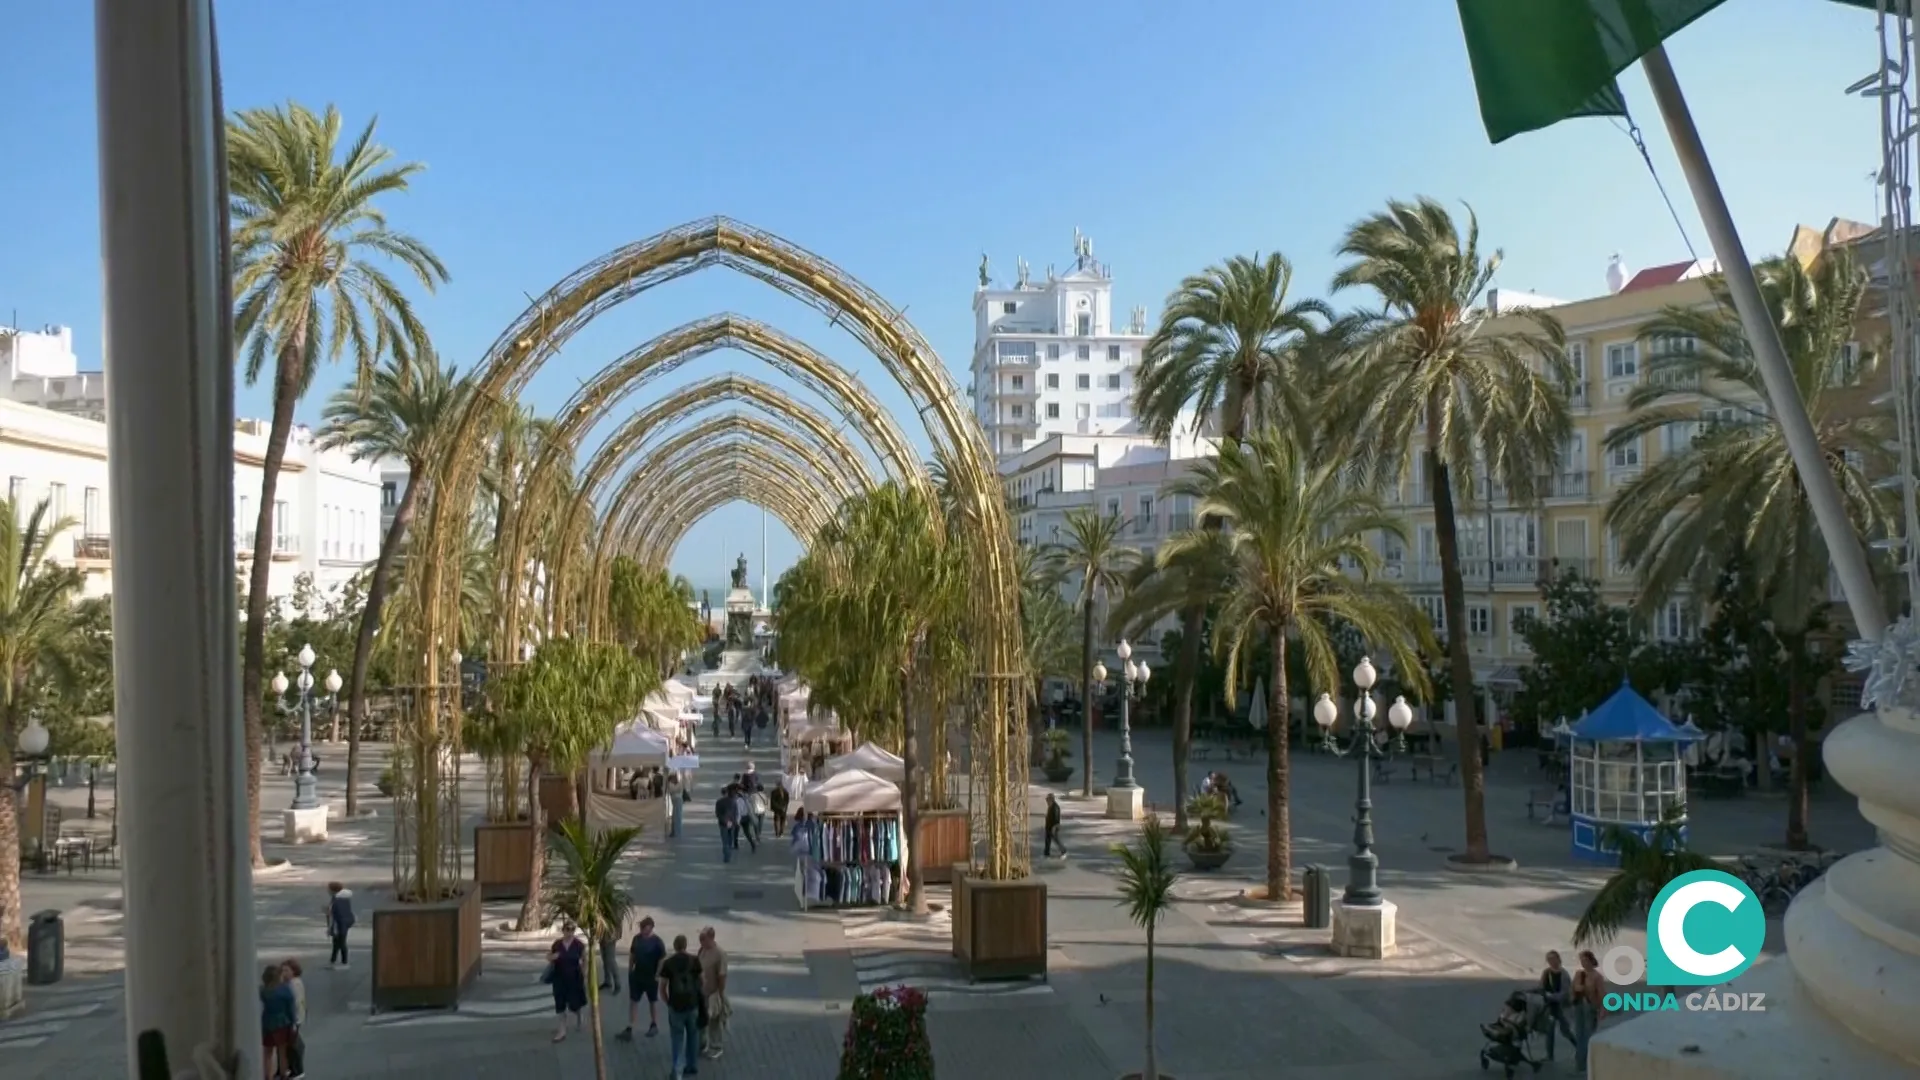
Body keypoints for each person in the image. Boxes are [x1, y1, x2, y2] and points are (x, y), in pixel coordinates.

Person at [658, 934, 704, 1078]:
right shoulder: (695, 961)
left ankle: (677, 1071)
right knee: (693, 1035)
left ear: (675, 946)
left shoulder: (668, 963)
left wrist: (668, 1002)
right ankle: (692, 1065)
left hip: (676, 1007)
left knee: (677, 1038)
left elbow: (662, 987)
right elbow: (702, 981)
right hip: (692, 1005)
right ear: (685, 945)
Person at [616, 917, 667, 1041]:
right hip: (637, 975)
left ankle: (654, 1024)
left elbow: (662, 959)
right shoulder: (637, 939)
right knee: (634, 1001)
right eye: (642, 928)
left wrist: (657, 974)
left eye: (645, 928)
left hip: (651, 977)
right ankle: (630, 1027)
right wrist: (630, 969)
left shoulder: (657, 942)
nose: (643, 931)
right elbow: (632, 954)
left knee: (652, 1001)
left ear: (651, 928)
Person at [547, 922, 588, 1043]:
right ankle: (562, 1030)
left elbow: (584, 960)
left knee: (575, 1004)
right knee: (560, 1004)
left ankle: (579, 1017)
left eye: (572, 930)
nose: (569, 932)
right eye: (567, 930)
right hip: (559, 978)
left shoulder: (579, 945)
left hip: (574, 978)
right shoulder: (557, 944)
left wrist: (585, 974)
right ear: (563, 930)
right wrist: (552, 957)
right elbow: (549, 956)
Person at [697, 926, 730, 1060]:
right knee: (702, 1019)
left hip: (713, 992)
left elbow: (722, 975)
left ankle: (716, 1046)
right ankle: (702, 1043)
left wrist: (720, 993)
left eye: (703, 939)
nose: (701, 942)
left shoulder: (720, 954)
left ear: (711, 938)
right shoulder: (702, 950)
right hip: (702, 992)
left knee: (714, 1021)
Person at [259, 965, 297, 1080]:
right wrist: (293, 1022)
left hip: (267, 1022)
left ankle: (267, 1076)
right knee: (282, 1051)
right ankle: (283, 1074)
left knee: (268, 1052)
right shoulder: (285, 989)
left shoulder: (263, 990)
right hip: (283, 1023)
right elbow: (291, 1008)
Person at [1570, 948, 1605, 1073]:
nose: (1583, 963)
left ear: (1591, 961)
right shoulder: (1579, 974)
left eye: (1585, 960)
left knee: (1588, 1035)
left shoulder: (1597, 977)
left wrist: (1602, 1010)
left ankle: (1586, 1062)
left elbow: (1601, 994)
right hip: (1579, 1006)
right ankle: (1579, 1063)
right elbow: (1572, 988)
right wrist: (1576, 988)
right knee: (1579, 1034)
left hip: (1590, 1007)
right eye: (1582, 960)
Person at [1539, 950, 1576, 1060]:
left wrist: (1551, 996)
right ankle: (1549, 1055)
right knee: (1549, 1030)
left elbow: (1565, 992)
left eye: (1553, 959)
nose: (1552, 961)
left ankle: (1580, 1048)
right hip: (1550, 1006)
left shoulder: (1563, 974)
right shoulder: (1546, 972)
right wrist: (1543, 995)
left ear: (1558, 959)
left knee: (1565, 1031)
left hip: (1561, 1007)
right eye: (1549, 959)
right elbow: (1541, 986)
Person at [280, 959, 307, 1079]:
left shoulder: (293, 984)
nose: (284, 973)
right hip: (295, 1018)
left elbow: (295, 1002)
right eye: (282, 970)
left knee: (293, 1044)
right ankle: (292, 1068)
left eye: (286, 970)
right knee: (292, 1043)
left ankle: (297, 1069)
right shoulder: (295, 983)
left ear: (293, 971)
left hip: (292, 1018)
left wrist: (294, 1020)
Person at [325, 881, 354, 969]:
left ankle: (344, 961)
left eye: (329, 889)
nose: (327, 891)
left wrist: (333, 928)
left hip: (340, 924)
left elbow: (337, 914)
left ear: (333, 890)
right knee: (336, 942)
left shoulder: (337, 900)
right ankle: (333, 960)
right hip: (344, 922)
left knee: (341, 942)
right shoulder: (342, 898)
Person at [598, 913, 623, 994]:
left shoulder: (616, 906)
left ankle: (617, 984)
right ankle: (607, 981)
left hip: (610, 936)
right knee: (605, 959)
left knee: (610, 960)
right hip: (603, 935)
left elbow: (617, 918)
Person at [715, 785, 740, 863]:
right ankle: (728, 852)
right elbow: (736, 813)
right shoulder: (733, 801)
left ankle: (726, 855)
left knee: (724, 840)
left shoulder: (719, 802)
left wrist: (725, 821)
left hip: (723, 823)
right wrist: (734, 822)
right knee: (730, 839)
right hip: (732, 823)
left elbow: (718, 813)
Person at [734, 784, 759, 853]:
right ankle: (752, 843)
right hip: (747, 817)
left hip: (741, 817)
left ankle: (735, 844)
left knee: (736, 831)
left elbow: (739, 811)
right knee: (747, 832)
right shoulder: (747, 797)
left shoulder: (739, 800)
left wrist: (737, 821)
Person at [1043, 793, 1064, 858]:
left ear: (1051, 799)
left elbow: (1056, 819)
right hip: (1048, 827)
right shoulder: (1051, 806)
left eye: (1047, 800)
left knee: (1056, 840)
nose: (1046, 801)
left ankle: (1064, 851)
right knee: (1047, 840)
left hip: (1053, 827)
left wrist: (1054, 828)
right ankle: (1046, 853)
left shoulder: (1055, 807)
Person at [666, 772, 685, 838]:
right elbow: (673, 790)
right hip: (675, 800)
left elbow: (678, 789)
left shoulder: (677, 784)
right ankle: (674, 831)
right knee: (675, 816)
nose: (676, 778)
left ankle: (677, 831)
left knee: (678, 816)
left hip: (678, 800)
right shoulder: (670, 784)